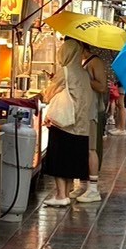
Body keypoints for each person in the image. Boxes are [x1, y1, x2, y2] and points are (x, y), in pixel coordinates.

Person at [41, 38, 94, 208]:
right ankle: (68, 191)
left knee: (59, 160)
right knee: (70, 161)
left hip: (64, 123)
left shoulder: (64, 71)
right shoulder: (83, 72)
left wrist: (48, 88)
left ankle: (60, 195)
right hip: (81, 124)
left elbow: (48, 94)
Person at [79, 44, 111, 203]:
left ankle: (93, 189)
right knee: (84, 147)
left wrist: (83, 78)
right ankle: (83, 185)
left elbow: (102, 86)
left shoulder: (95, 62)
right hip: (83, 110)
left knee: (91, 148)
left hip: (92, 111)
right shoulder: (83, 62)